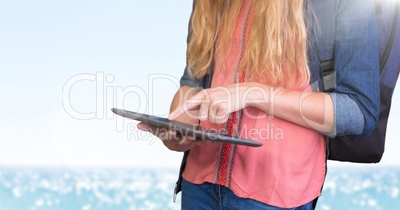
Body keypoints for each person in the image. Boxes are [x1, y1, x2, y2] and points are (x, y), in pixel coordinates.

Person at [137, 0, 380, 209]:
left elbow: (360, 110)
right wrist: (178, 131)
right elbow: (193, 80)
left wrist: (253, 93)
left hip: (275, 194)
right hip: (197, 184)